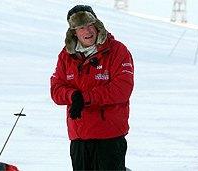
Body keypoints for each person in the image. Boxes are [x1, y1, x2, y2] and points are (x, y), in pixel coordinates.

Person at [50, 5, 134, 170]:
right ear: (74, 32)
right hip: (79, 137)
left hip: (110, 136)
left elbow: (122, 89)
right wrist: (73, 95)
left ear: (97, 25)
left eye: (90, 25)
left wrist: (85, 98)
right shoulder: (65, 55)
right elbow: (56, 89)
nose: (87, 31)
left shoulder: (118, 50)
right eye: (81, 27)